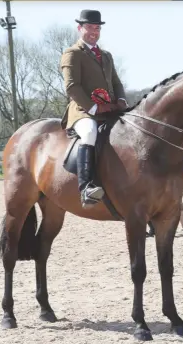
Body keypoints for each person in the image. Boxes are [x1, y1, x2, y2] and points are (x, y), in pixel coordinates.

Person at [60, 9, 128, 208]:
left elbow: (116, 82)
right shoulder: (72, 53)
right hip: (83, 111)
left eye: (97, 28)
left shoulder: (106, 55)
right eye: (89, 27)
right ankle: (86, 187)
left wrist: (122, 99)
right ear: (79, 28)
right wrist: (93, 108)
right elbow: (72, 86)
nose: (94, 31)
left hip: (110, 108)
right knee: (89, 132)